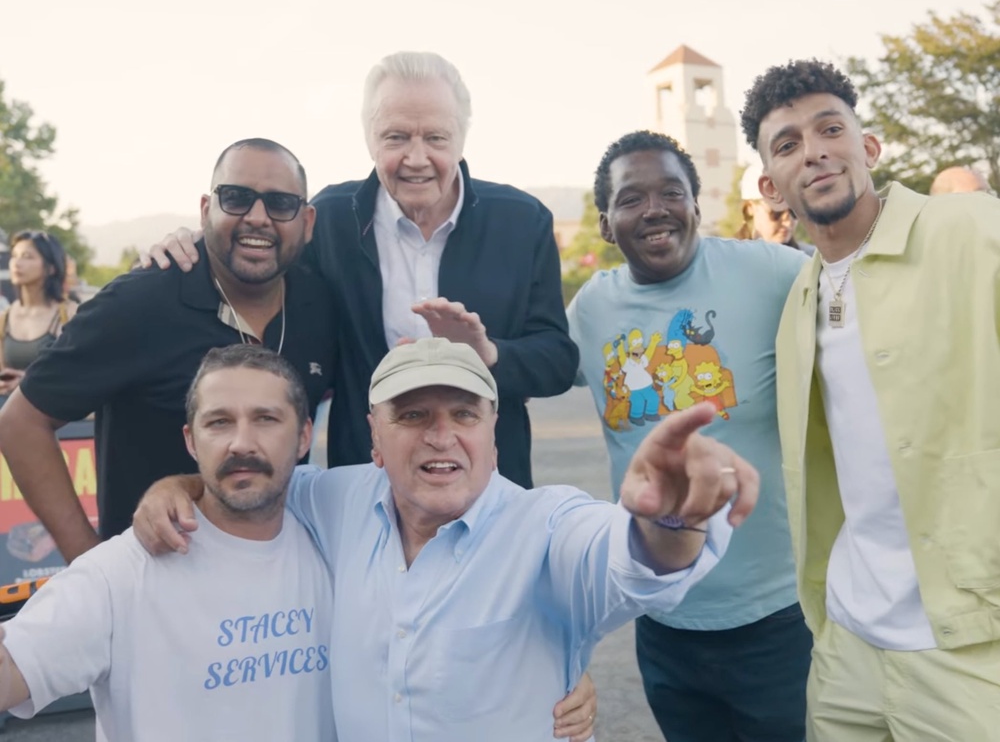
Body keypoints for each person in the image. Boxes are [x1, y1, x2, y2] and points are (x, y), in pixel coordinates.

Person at [133, 337, 759, 742]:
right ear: (374, 439)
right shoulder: (336, 498)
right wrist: (178, 485)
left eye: (463, 414)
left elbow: (630, 561)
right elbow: (252, 481)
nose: (440, 436)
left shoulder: (546, 525)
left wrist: (671, 519)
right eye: (413, 416)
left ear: (493, 432)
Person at [143, 51, 578, 490]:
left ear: (462, 138)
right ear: (369, 138)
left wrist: (489, 355)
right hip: (365, 487)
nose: (416, 158)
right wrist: (193, 244)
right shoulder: (327, 220)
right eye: (396, 137)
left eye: (436, 139)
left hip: (490, 485)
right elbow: (252, 259)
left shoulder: (523, 223)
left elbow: (558, 361)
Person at [741, 58, 1000, 741]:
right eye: (789, 143)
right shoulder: (800, 296)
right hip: (846, 645)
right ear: (772, 185)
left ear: (869, 147)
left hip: (970, 644)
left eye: (831, 128)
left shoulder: (970, 231)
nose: (816, 150)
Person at [566, 130, 812, 742]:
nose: (654, 209)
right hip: (664, 614)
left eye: (671, 192)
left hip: (777, 616)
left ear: (696, 207)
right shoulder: (590, 311)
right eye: (631, 198)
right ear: (605, 223)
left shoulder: (774, 272)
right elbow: (524, 367)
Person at [0, 138, 337, 563]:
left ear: (306, 222)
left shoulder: (319, 306)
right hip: (155, 591)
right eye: (235, 198)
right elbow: (20, 422)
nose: (257, 218)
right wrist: (89, 563)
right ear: (204, 210)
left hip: (278, 584)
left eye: (280, 203)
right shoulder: (140, 302)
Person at [0, 345, 335, 741]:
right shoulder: (120, 572)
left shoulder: (335, 538)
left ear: (303, 437)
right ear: (191, 441)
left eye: (266, 419)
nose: (241, 442)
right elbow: (12, 670)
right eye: (219, 422)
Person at [0, 231, 78, 396]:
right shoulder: (4, 317)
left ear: (51, 268)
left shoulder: (70, 315)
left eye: (27, 256)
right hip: (8, 412)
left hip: (52, 414)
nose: (16, 263)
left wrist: (28, 381)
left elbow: (83, 372)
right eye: (14, 256)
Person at [736, 161, 816, 255]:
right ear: (750, 208)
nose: (788, 222)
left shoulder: (812, 261)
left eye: (794, 212)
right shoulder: (731, 260)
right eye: (777, 213)